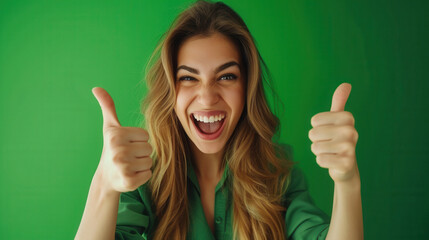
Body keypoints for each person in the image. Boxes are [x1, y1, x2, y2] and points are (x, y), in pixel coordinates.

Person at [75, 1, 363, 239]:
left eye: (226, 76)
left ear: (247, 87)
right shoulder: (142, 179)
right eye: (188, 78)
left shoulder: (279, 176)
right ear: (170, 93)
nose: (207, 97)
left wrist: (348, 182)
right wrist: (104, 185)